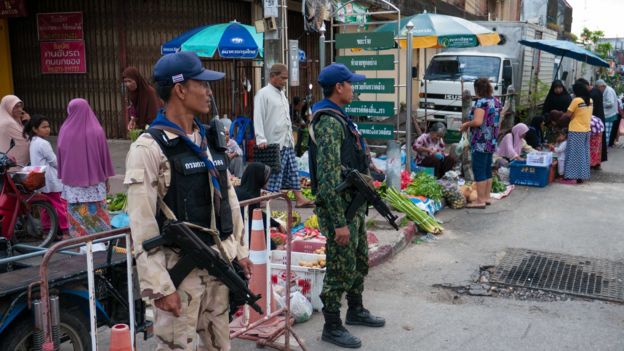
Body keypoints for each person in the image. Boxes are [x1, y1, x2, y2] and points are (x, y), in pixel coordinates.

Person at [124, 51, 251, 351]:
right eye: (202, 84)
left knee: (219, 345)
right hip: (179, 279)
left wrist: (240, 250)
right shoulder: (148, 149)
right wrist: (160, 288)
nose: (209, 91)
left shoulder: (208, 139)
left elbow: (228, 197)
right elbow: (142, 227)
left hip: (219, 267)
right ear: (180, 90)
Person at [309, 63, 385, 349]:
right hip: (339, 209)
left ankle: (356, 309)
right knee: (340, 268)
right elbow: (328, 178)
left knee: (358, 260)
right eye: (351, 83)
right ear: (339, 87)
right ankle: (331, 325)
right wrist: (338, 222)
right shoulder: (328, 122)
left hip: (352, 205)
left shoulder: (342, 117)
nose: (354, 87)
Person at [57, 99, 115, 249]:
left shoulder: (65, 130)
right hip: (95, 184)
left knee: (79, 213)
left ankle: (80, 243)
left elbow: (61, 155)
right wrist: (106, 178)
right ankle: (101, 242)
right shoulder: (96, 130)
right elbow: (104, 157)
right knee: (96, 213)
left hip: (73, 186)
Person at [253, 63, 313, 208]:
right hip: (273, 142)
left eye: (286, 78)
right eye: (282, 78)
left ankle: (299, 198)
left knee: (293, 171)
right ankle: (265, 203)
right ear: (273, 76)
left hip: (286, 140)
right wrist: (260, 138)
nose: (285, 81)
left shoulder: (282, 94)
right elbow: (258, 116)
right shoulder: (263, 94)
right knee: (275, 174)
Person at [24, 114, 70, 239]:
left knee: (45, 207)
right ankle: (65, 230)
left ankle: (47, 231)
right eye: (44, 127)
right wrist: (65, 171)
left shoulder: (33, 142)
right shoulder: (43, 143)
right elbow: (54, 162)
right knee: (60, 204)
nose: (47, 129)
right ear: (35, 129)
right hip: (50, 180)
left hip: (40, 180)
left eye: (48, 126)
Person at [460, 78, 500, 209]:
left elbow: (477, 121)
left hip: (481, 141)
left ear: (477, 89)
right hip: (492, 140)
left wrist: (466, 124)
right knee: (487, 168)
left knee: (479, 170)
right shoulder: (496, 101)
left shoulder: (481, 103)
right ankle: (487, 197)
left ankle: (480, 200)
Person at [235, 162, 285, 243]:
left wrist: (276, 224)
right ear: (258, 177)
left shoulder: (240, 190)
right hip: (242, 238)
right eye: (266, 177)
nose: (268, 181)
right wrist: (277, 225)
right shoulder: (248, 197)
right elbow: (258, 217)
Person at [561, 83, 592, 183]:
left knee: (573, 154)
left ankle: (570, 175)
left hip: (576, 130)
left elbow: (568, 115)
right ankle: (581, 176)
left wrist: (560, 118)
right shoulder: (590, 101)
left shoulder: (576, 100)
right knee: (583, 153)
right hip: (586, 130)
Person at [122, 66, 163, 131]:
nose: (127, 84)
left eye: (130, 81)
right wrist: (133, 120)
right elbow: (135, 110)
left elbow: (154, 114)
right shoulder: (133, 93)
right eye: (125, 82)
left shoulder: (149, 92)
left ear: (137, 80)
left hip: (153, 129)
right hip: (142, 129)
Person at [0, 95, 31, 167]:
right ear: (8, 107)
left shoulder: (15, 121)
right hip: (13, 166)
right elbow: (26, 140)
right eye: (16, 107)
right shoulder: (8, 123)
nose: (20, 109)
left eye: (20, 106)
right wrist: (28, 123)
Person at [595, 79, 619, 147]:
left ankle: (604, 148)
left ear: (602, 86)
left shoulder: (609, 91)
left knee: (606, 134)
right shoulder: (606, 90)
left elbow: (610, 103)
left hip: (609, 115)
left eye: (598, 88)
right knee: (606, 133)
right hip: (608, 114)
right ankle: (604, 148)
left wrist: (599, 103)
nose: (598, 90)